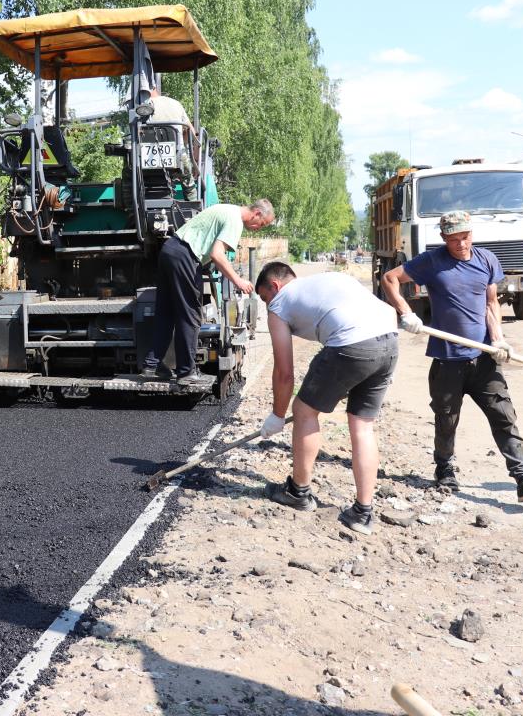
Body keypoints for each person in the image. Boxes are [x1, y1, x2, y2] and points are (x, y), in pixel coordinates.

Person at [380, 210, 523, 504]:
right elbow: (389, 278)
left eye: (465, 237)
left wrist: (498, 338)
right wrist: (406, 313)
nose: (461, 244)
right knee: (447, 419)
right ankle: (444, 470)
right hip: (447, 360)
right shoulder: (432, 261)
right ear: (443, 237)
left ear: (472, 233)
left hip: (484, 359)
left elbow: (491, 302)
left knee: (504, 416)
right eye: (454, 239)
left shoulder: (486, 260)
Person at [255, 262, 400, 535]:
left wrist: (277, 415)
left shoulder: (279, 304)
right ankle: (363, 513)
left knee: (303, 410)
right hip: (389, 340)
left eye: (264, 298)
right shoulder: (328, 280)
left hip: (351, 343)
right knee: (362, 424)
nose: (267, 306)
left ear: (275, 286)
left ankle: (298, 492)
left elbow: (284, 373)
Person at [142, 200, 274, 384]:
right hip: (185, 257)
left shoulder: (227, 209)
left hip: (169, 250)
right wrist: (238, 280)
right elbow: (217, 255)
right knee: (190, 316)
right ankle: (186, 372)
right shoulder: (235, 220)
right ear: (257, 213)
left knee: (166, 313)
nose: (259, 228)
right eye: (262, 224)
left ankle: (152, 364)